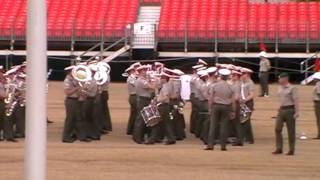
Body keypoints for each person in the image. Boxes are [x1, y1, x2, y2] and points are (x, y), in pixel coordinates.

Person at [205, 69, 235, 151]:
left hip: (216, 106)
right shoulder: (230, 86)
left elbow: (211, 98)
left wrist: (210, 107)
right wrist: (232, 110)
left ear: (220, 76)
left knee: (213, 126)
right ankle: (223, 146)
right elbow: (232, 99)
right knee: (224, 126)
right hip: (226, 106)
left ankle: (210, 145)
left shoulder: (214, 85)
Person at [62, 66, 91, 143]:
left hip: (78, 100)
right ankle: (66, 137)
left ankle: (81, 136)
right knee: (70, 119)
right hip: (71, 101)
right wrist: (76, 88)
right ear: (69, 72)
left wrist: (84, 93)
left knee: (79, 118)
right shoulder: (67, 80)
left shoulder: (76, 80)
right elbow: (67, 93)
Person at [273, 73, 299, 156]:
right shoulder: (279, 88)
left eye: (280, 78)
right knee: (277, 128)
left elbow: (296, 100)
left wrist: (297, 111)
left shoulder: (292, 88)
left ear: (285, 79)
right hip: (281, 110)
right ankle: (279, 148)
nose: (278, 80)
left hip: (290, 109)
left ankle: (291, 149)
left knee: (291, 131)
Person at [132, 65, 156, 144]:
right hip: (143, 100)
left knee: (141, 119)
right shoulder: (141, 80)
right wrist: (152, 80)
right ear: (141, 72)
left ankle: (138, 137)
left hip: (143, 99)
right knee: (141, 119)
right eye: (144, 70)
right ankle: (138, 138)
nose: (146, 72)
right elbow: (152, 87)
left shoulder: (141, 79)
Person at [155, 72, 176, 145]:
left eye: (162, 78)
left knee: (163, 123)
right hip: (165, 106)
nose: (160, 79)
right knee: (166, 123)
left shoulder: (165, 87)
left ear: (165, 79)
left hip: (163, 106)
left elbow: (166, 97)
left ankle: (169, 138)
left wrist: (158, 100)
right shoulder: (165, 86)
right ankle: (170, 138)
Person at [240, 68, 256, 144]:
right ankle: (249, 138)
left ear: (247, 74)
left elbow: (252, 95)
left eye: (243, 74)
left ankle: (245, 138)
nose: (242, 75)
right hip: (244, 103)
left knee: (245, 120)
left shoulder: (250, 83)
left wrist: (245, 100)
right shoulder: (243, 82)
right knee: (246, 120)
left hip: (248, 103)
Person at [230, 70, 244, 146]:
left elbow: (236, 97)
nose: (232, 77)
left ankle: (239, 140)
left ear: (237, 76)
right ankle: (239, 139)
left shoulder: (236, 85)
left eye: (234, 75)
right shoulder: (237, 84)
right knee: (236, 123)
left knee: (236, 123)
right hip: (236, 103)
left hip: (236, 104)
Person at [125, 65, 138, 135]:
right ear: (131, 71)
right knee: (134, 114)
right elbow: (137, 85)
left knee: (134, 114)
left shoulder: (133, 78)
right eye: (135, 70)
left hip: (134, 97)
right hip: (134, 97)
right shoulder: (131, 78)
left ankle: (131, 129)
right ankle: (131, 130)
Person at [312, 72, 320, 139]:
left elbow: (319, 93)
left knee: (319, 119)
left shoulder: (318, 84)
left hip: (318, 103)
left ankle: (319, 134)